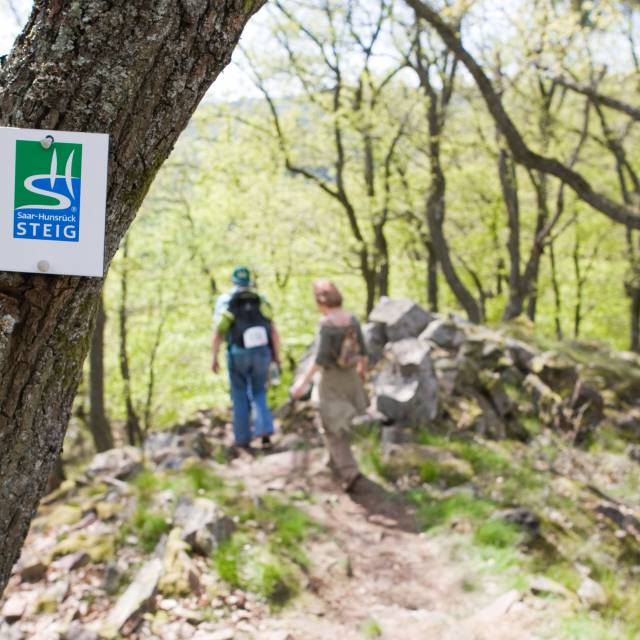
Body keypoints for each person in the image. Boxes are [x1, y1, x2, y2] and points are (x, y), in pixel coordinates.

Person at [290, 279, 368, 492]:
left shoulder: (327, 324)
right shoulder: (351, 319)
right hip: (351, 376)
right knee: (341, 421)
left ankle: (348, 470)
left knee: (330, 425)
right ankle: (332, 461)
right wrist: (362, 371)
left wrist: (302, 383)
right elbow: (363, 350)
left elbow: (320, 359)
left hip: (331, 380)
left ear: (320, 302)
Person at [212, 266, 281, 451]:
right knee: (259, 391)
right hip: (262, 353)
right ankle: (265, 431)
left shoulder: (226, 301)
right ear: (249, 281)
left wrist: (214, 357)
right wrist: (277, 357)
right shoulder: (260, 299)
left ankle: (242, 439)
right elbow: (273, 331)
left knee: (239, 394)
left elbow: (218, 331)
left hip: (237, 353)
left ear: (234, 281)